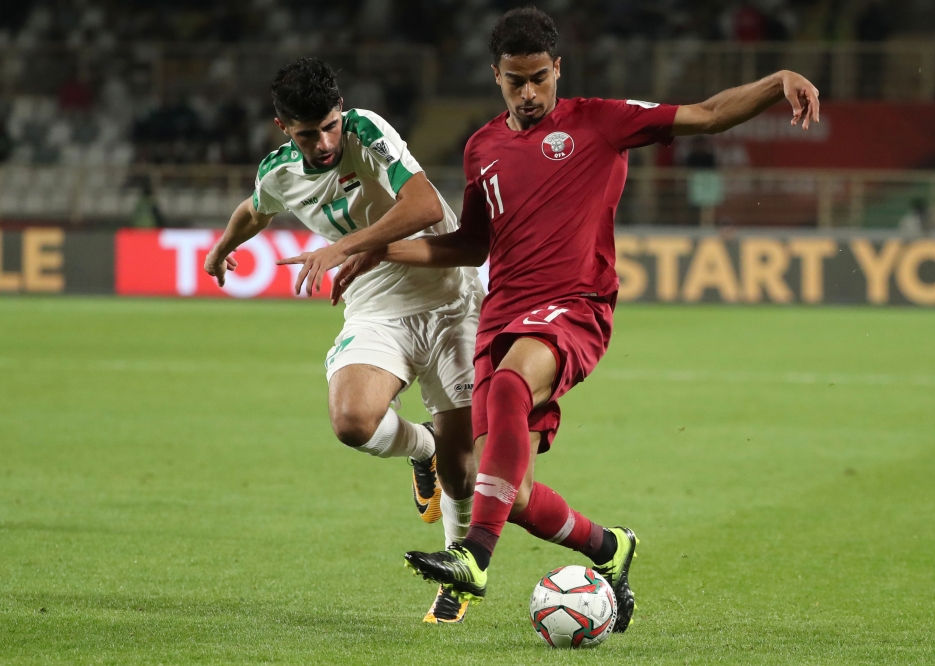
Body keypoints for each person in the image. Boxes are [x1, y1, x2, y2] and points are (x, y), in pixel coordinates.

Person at [333, 7, 820, 633]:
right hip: (500, 317)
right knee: (507, 491)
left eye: (540, 77)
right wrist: (378, 247)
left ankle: (473, 559)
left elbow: (708, 113)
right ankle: (609, 548)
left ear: (558, 69)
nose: (529, 93)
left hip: (574, 306)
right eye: (516, 81)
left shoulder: (600, 121)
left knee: (509, 392)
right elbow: (471, 246)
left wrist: (776, 78)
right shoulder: (482, 146)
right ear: (496, 76)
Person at [202, 58, 483, 624]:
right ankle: (421, 447)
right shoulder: (278, 171)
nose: (325, 141)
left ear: (340, 113)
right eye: (309, 133)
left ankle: (458, 578)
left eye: (330, 125)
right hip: (377, 304)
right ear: (285, 129)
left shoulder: (366, 130)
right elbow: (255, 209)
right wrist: (219, 247)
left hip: (451, 296)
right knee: (352, 422)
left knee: (463, 472)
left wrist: (349, 246)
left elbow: (426, 205)